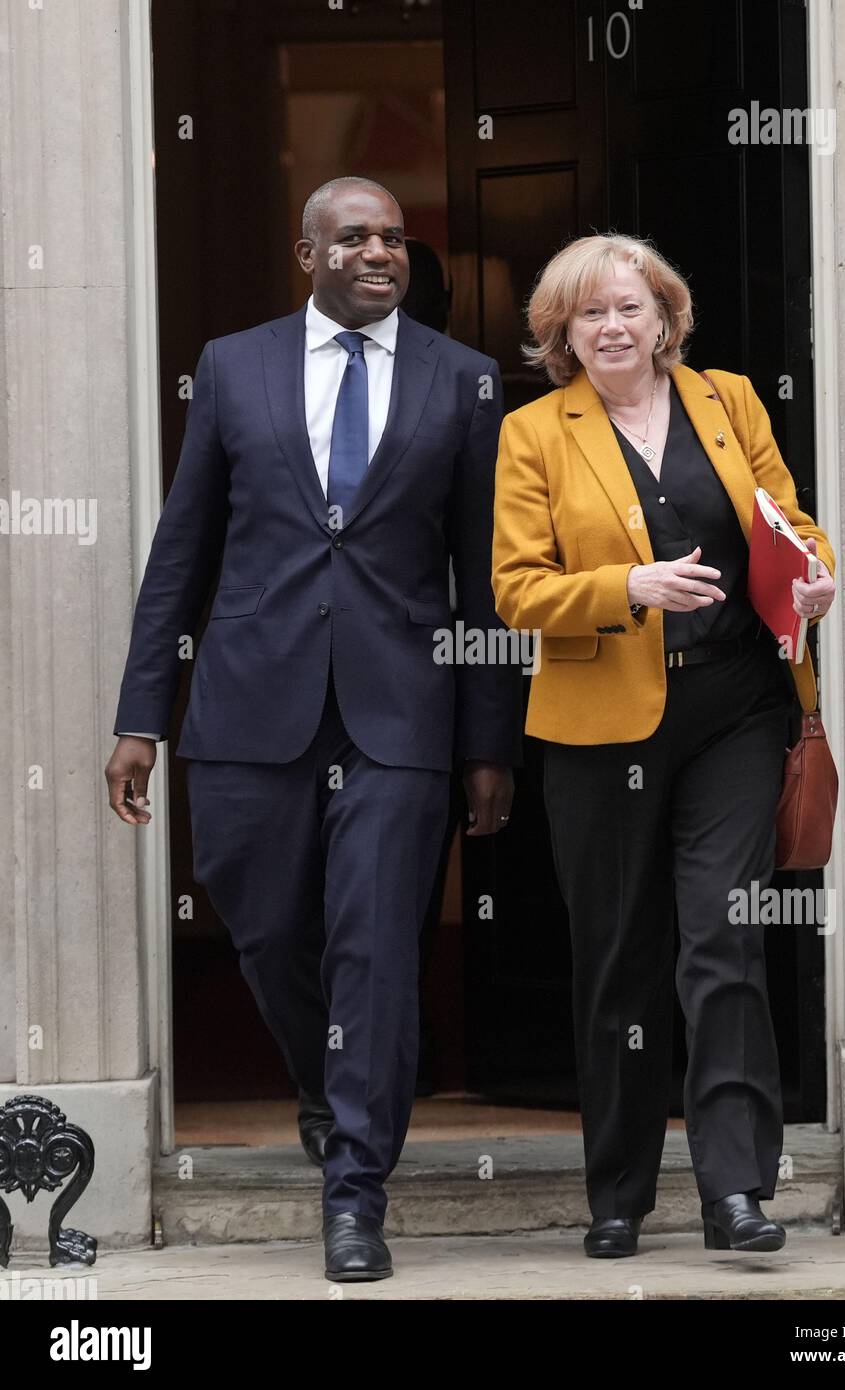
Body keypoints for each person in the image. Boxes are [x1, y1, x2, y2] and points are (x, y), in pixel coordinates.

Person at [105, 176, 521, 1282]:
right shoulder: (233, 366)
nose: (379, 251)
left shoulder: (466, 381)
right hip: (249, 703)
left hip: (401, 714)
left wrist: (487, 741)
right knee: (267, 927)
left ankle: (354, 1190)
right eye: (354, 236)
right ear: (309, 255)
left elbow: (482, 580)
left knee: (376, 947)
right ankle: (322, 1082)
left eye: (392, 236)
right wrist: (143, 712)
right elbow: (181, 553)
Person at [491, 233, 836, 1258]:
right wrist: (624, 589)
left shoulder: (728, 401)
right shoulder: (534, 433)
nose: (610, 327)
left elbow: (794, 525)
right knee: (618, 960)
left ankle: (736, 1189)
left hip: (735, 707)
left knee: (722, 936)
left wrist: (815, 576)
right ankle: (619, 1194)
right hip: (601, 727)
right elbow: (517, 590)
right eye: (587, 314)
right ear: (560, 333)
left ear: (663, 318)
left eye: (629, 308)